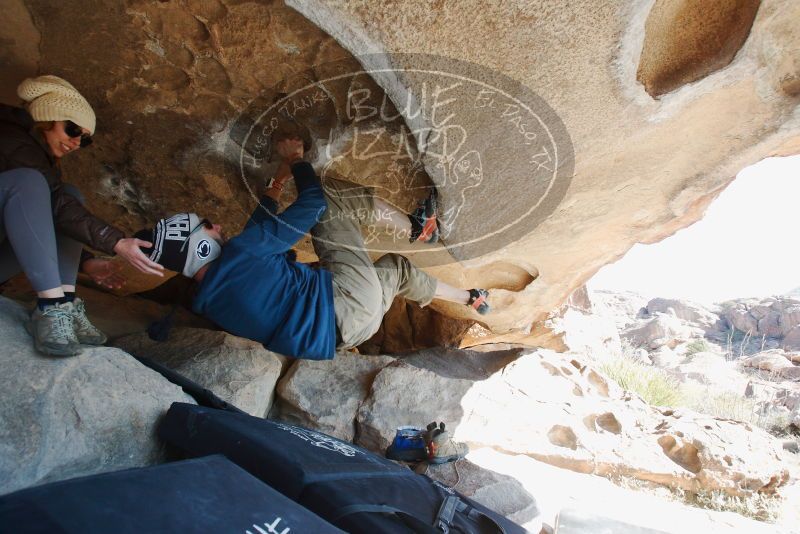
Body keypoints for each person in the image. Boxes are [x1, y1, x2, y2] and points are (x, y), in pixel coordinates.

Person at [137, 137, 489, 360]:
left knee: (394, 268)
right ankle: (418, 226)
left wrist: (277, 182)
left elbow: (257, 236)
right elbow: (314, 201)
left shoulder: (213, 298)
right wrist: (297, 162)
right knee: (331, 195)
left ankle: (470, 298)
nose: (216, 226)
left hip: (352, 332)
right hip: (344, 301)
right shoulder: (241, 255)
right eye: (206, 227)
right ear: (197, 246)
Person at [0, 75, 164, 357]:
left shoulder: (42, 159)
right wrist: (117, 242)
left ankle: (63, 301)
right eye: (73, 129)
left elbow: (47, 215)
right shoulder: (9, 136)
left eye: (84, 139)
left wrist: (86, 263)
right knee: (32, 185)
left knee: (69, 193)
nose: (76, 141)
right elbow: (57, 207)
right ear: (48, 116)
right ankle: (50, 308)